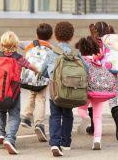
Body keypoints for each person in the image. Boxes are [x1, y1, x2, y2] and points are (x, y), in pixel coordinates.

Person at [40, 21, 85, 157]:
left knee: (55, 116)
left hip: (55, 92)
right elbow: (86, 70)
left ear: (55, 35)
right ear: (71, 37)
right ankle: (66, 142)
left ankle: (55, 143)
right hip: (71, 90)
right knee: (68, 114)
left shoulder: (51, 53)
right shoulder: (75, 54)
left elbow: (42, 72)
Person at [0, 31, 39, 155]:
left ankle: (0, 133)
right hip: (13, 93)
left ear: (1, 44)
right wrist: (37, 72)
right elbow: (31, 66)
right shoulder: (19, 58)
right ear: (16, 45)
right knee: (14, 116)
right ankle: (10, 138)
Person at [85, 22, 118, 141]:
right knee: (113, 101)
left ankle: (94, 127)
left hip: (96, 75)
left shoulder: (92, 42)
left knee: (95, 99)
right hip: (113, 73)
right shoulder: (113, 43)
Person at [20, 23, 54, 142]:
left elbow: (16, 42)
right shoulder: (51, 48)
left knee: (32, 94)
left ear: (36, 34)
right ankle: (39, 124)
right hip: (42, 77)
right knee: (41, 99)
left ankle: (26, 116)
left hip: (29, 76)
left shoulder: (29, 44)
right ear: (51, 36)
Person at [76, 36, 107, 150]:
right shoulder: (97, 61)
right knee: (98, 116)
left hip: (85, 91)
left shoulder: (80, 60)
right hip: (98, 91)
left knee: (81, 109)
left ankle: (85, 118)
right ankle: (97, 139)